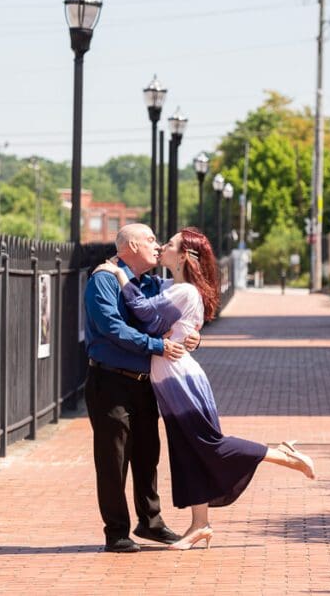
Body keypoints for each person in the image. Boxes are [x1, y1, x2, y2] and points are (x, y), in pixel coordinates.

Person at [93, 227, 315, 551]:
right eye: (155, 241)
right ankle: (200, 525)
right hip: (164, 382)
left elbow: (145, 313)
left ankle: (283, 455)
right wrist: (188, 336)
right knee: (188, 451)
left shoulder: (181, 291)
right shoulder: (167, 285)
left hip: (179, 380)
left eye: (166, 243)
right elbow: (174, 322)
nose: (159, 247)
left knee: (208, 444)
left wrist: (121, 277)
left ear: (183, 256)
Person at [83, 223, 201, 553]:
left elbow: (172, 315)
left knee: (148, 454)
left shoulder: (150, 283)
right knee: (113, 459)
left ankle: (151, 522)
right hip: (110, 381)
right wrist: (156, 345)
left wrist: (193, 336)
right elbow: (111, 328)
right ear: (131, 245)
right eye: (150, 239)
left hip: (144, 383)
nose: (157, 244)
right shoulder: (103, 279)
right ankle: (116, 532)